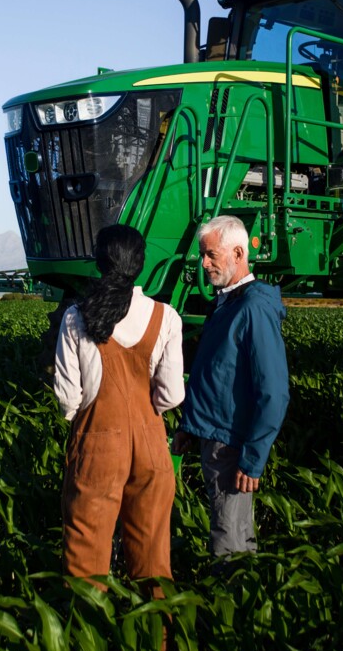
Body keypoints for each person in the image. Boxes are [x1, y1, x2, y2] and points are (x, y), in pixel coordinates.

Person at [53, 224, 184, 594]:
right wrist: (146, 417)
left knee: (85, 563)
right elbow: (173, 395)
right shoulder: (166, 317)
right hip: (151, 447)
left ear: (99, 263)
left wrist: (86, 422)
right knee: (153, 562)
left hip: (97, 448)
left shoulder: (77, 317)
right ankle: (154, 647)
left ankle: (89, 645)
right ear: (140, 264)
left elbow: (67, 396)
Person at [174, 215, 289, 561]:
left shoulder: (252, 308)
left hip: (230, 444)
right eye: (202, 255)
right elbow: (218, 375)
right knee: (229, 527)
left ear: (239, 254)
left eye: (211, 255)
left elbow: (274, 391)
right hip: (212, 433)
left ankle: (230, 604)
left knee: (229, 538)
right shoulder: (227, 303)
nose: (204, 263)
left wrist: (253, 458)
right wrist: (189, 428)